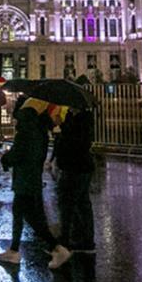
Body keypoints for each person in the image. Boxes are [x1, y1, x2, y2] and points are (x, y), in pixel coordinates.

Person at [0, 98, 72, 269]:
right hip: (32, 176)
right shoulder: (40, 129)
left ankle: (56, 247)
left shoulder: (26, 131)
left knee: (31, 216)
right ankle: (14, 250)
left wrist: (6, 158)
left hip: (25, 177)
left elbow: (18, 153)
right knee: (20, 212)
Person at [54, 107, 96, 252]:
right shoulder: (76, 117)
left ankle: (66, 240)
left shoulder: (82, 119)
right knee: (82, 204)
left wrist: (63, 125)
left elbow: (76, 141)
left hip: (76, 166)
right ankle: (86, 240)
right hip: (78, 166)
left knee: (68, 204)